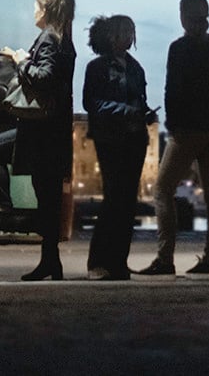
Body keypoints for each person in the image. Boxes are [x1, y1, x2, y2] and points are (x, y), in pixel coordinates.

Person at [137, 0, 209, 277]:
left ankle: (165, 258)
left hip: (187, 130)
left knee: (162, 190)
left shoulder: (179, 48)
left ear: (183, 17)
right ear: (206, 17)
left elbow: (172, 91)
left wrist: (173, 125)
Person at [0, 0, 76, 281]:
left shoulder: (48, 38)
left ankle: (6, 212)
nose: (33, 11)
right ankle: (51, 261)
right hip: (53, 129)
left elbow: (44, 78)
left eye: (36, 7)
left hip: (41, 131)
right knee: (48, 197)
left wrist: (21, 59)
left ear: (46, 10)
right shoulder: (64, 41)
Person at [82, 14, 152, 281]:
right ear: (111, 35)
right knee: (114, 198)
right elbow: (92, 103)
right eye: (125, 31)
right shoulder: (97, 67)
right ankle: (99, 261)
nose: (129, 36)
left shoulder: (136, 68)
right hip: (110, 138)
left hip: (135, 138)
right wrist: (126, 111)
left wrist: (145, 114)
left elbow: (139, 101)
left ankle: (119, 261)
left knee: (127, 202)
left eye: (132, 31)